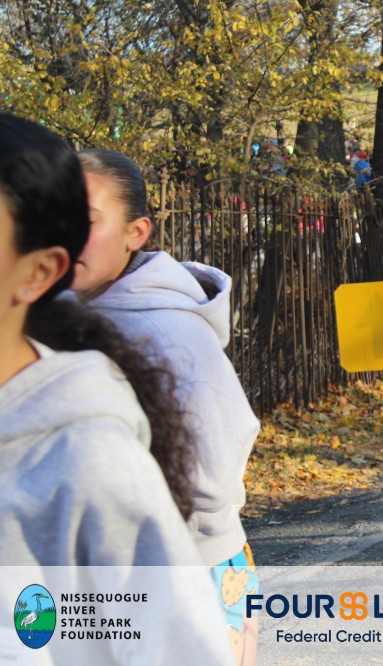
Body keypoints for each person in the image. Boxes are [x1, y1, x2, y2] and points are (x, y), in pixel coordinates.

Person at [0, 113, 234, 663]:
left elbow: (215, 478)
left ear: (38, 272)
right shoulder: (80, 328)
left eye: (88, 221)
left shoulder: (87, 455)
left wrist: (214, 578)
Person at [74, 148, 262, 663]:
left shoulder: (168, 333)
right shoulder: (58, 317)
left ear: (136, 233)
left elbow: (212, 476)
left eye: (84, 221)